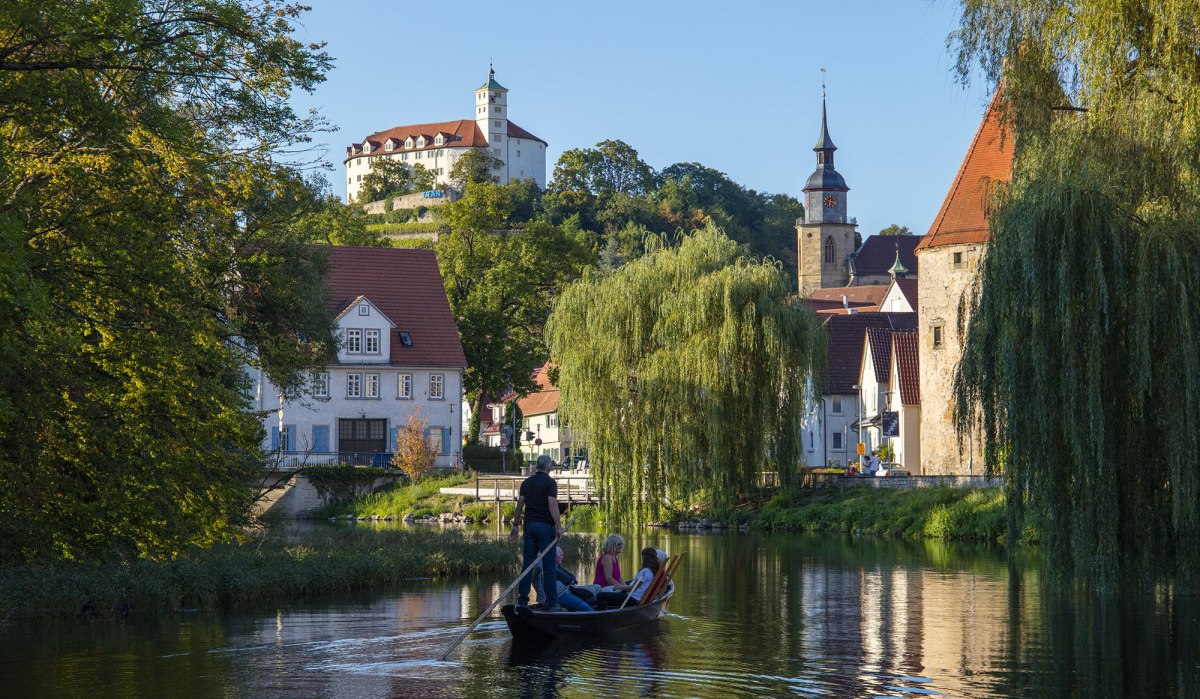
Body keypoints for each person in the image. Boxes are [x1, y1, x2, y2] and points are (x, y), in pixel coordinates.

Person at [511, 454, 563, 611]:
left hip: (529, 526)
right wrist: (559, 527)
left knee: (527, 564)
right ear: (548, 467)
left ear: (536, 467)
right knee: (549, 566)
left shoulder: (526, 483)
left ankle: (522, 600)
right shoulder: (550, 482)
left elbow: (520, 505)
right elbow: (552, 505)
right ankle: (552, 603)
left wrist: (515, 525)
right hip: (545, 527)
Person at [532, 546, 594, 612]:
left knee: (592, 595)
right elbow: (538, 568)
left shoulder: (555, 566)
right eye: (561, 554)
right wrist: (542, 555)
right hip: (560, 596)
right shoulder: (541, 563)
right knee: (588, 609)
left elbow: (571, 578)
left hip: (565, 593)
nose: (563, 557)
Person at [596, 546, 660, 609]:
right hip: (634, 596)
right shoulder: (651, 571)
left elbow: (632, 588)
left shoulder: (645, 572)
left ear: (644, 558)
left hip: (632, 598)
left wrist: (620, 586)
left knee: (600, 596)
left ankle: (602, 615)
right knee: (613, 593)